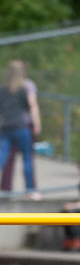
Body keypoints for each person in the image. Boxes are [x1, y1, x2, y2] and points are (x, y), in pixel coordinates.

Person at [0, 60, 41, 194]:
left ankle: (5, 188)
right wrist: (36, 124)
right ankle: (30, 190)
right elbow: (29, 107)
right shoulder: (24, 89)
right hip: (20, 126)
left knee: (3, 157)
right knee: (27, 158)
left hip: (6, 126)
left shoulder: (2, 89)